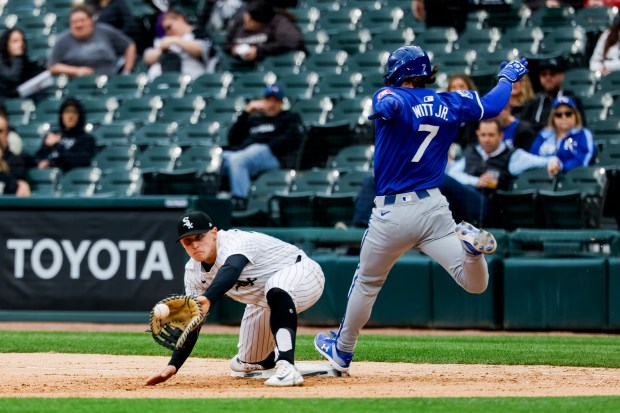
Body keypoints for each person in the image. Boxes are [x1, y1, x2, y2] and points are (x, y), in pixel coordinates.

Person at [313, 45, 529, 373]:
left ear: (399, 74)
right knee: (474, 284)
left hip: (393, 213)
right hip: (433, 208)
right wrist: (506, 78)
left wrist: (388, 105)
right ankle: (472, 252)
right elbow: (494, 105)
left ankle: (342, 350)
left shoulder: (392, 93)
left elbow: (389, 101)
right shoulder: (450, 101)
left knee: (368, 282)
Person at [146, 210, 325, 387]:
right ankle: (273, 360)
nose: (195, 245)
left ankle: (286, 366)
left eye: (199, 237)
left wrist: (208, 298)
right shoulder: (193, 273)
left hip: (304, 274)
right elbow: (193, 322)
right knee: (247, 362)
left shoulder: (235, 241)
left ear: (214, 233)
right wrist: (173, 365)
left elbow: (231, 268)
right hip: (264, 301)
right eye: (188, 241)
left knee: (276, 288)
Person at [442, 118, 560, 225]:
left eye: (491, 135)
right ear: (478, 135)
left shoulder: (512, 155)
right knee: (443, 184)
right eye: (483, 135)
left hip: (490, 204)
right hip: (465, 200)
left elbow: (547, 160)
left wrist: (554, 162)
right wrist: (477, 181)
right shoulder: (472, 152)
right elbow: (453, 173)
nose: (486, 139)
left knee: (443, 180)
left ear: (500, 136)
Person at [223, 84, 305, 210]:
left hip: (272, 155)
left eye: (276, 101)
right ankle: (215, 199)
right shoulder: (255, 119)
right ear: (263, 101)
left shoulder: (289, 117)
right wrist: (246, 113)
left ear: (282, 103)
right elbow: (232, 139)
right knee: (217, 159)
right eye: (268, 100)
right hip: (245, 153)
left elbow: (293, 138)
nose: (271, 104)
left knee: (240, 159)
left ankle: (240, 201)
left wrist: (270, 146)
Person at [48, 4, 136, 77]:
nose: (78, 25)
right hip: (78, 84)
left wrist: (126, 72)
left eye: (82, 20)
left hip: (109, 80)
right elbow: (53, 67)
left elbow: (129, 45)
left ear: (91, 21)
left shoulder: (105, 31)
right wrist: (76, 71)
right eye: (74, 22)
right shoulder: (62, 40)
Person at [143, 8, 218, 80]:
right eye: (165, 30)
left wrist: (175, 41)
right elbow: (147, 58)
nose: (168, 32)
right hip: (165, 80)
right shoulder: (166, 39)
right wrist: (162, 50)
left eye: (169, 27)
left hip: (192, 78)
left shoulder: (198, 32)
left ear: (180, 19)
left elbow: (202, 49)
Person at [222, 0, 306, 64]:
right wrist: (233, 49)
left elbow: (293, 41)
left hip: (273, 68)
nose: (245, 23)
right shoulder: (241, 21)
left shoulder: (278, 21)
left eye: (250, 21)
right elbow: (226, 44)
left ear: (261, 22)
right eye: (246, 18)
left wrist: (259, 51)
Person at [529, 95, 597, 172]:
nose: (563, 117)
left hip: (572, 179)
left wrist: (560, 167)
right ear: (553, 117)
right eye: (559, 114)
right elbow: (532, 157)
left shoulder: (583, 134)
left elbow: (584, 159)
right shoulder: (543, 135)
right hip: (542, 178)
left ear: (575, 115)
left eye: (568, 114)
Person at [520, 56, 585, 132]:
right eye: (544, 74)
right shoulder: (532, 103)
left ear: (562, 76)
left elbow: (580, 127)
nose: (548, 78)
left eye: (552, 74)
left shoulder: (572, 100)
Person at [34, 97, 96, 172]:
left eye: (74, 112)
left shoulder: (87, 139)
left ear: (80, 116)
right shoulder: (53, 135)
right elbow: (38, 157)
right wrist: (47, 148)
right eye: (67, 112)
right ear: (61, 116)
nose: (70, 116)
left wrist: (57, 148)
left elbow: (80, 160)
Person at [0, 28, 46, 99]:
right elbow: (13, 77)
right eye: (15, 41)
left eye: (22, 41)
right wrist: (17, 57)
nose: (20, 44)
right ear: (6, 44)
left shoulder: (25, 63)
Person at [0, 115, 30, 196]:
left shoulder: (16, 160)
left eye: (0, 131)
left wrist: (1, 163)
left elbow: (14, 187)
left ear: (7, 135)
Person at [447, 73, 479, 149]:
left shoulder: (478, 114)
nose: (458, 90)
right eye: (453, 87)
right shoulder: (444, 114)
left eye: (461, 86)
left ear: (469, 89)